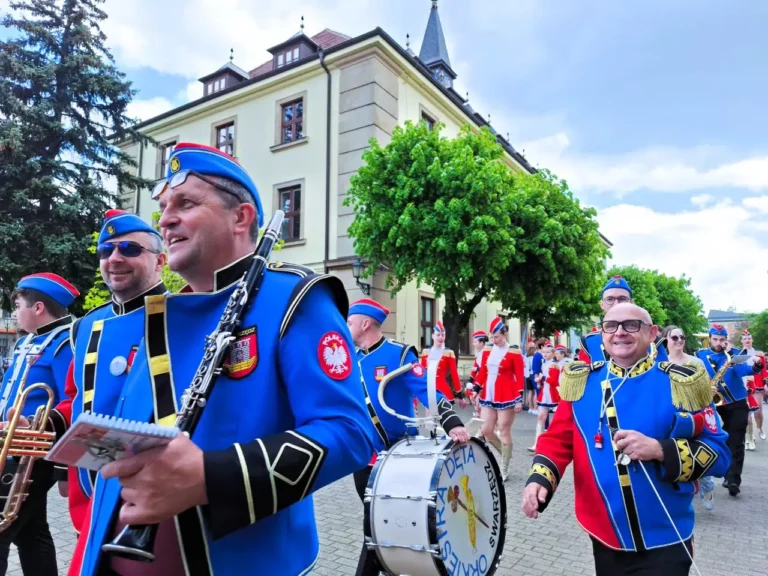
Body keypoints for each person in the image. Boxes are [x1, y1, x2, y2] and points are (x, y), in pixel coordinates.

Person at [67, 142, 374, 576]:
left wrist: (210, 477)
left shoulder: (293, 297)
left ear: (241, 218)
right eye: (164, 207)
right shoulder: (159, 313)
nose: (165, 219)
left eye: (186, 203)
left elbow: (351, 433)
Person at [523, 303, 730, 576]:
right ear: (602, 333)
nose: (620, 332)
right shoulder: (581, 382)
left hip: (666, 537)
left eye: (631, 325)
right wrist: (539, 479)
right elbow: (558, 440)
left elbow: (720, 455)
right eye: (611, 326)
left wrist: (660, 450)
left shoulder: (684, 384)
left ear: (652, 333)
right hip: (604, 534)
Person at [346, 298, 469, 576]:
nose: (346, 326)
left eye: (350, 322)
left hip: (396, 459)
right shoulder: (350, 359)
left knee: (376, 528)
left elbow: (427, 390)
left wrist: (451, 422)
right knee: (380, 527)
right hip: (363, 459)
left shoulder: (399, 355)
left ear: (365, 324)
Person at [63, 209, 167, 534]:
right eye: (106, 251)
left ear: (160, 261)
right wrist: (47, 423)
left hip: (157, 500)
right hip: (89, 497)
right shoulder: (84, 326)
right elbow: (74, 399)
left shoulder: (185, 314)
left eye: (130, 249)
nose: (114, 258)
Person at [0, 273, 79, 576]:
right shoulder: (27, 343)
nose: (15, 312)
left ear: (38, 308)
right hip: (11, 449)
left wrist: (64, 469)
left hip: (34, 454)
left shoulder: (64, 344)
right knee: (32, 534)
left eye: (18, 306)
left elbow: (73, 403)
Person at [696, 324, 762, 497]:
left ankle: (733, 479)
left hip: (736, 401)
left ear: (726, 340)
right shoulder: (700, 355)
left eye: (722, 339)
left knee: (737, 440)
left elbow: (744, 370)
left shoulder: (735, 354)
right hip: (712, 402)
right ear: (710, 339)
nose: (718, 343)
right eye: (715, 339)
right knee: (715, 439)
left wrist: (756, 365)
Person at [662, 324, 717, 510]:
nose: (679, 341)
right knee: (674, 455)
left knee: (698, 452)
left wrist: (709, 391)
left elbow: (705, 389)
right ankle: (678, 498)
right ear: (665, 341)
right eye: (674, 337)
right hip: (670, 416)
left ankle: (707, 486)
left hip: (694, 415)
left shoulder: (696, 362)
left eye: (682, 337)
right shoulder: (659, 363)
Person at [472, 317, 524, 480]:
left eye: (497, 337)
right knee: (486, 430)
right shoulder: (488, 349)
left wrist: (519, 398)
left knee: (503, 429)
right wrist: (476, 388)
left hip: (507, 394)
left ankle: (504, 467)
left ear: (505, 334)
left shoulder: (514, 351)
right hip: (489, 393)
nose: (494, 340)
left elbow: (520, 375)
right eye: (492, 337)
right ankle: (505, 453)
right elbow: (483, 371)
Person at [579, 275, 668, 364]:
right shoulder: (590, 342)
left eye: (622, 299)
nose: (616, 304)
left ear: (632, 302)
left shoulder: (650, 338)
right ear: (601, 304)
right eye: (609, 299)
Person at [419, 320, 468, 409]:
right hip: (429, 392)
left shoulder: (448, 353)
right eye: (438, 335)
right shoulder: (425, 352)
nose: (441, 337)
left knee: (444, 417)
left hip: (443, 393)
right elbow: (421, 375)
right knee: (429, 417)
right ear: (432, 336)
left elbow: (454, 374)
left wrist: (460, 396)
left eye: (443, 335)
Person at [734, 330, 765, 441]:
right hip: (743, 385)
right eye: (745, 339)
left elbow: (763, 370)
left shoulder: (758, 353)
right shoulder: (738, 354)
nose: (747, 340)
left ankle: (760, 427)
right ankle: (750, 437)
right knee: (746, 414)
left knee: (758, 412)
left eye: (749, 338)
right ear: (742, 341)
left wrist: (765, 383)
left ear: (752, 340)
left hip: (756, 384)